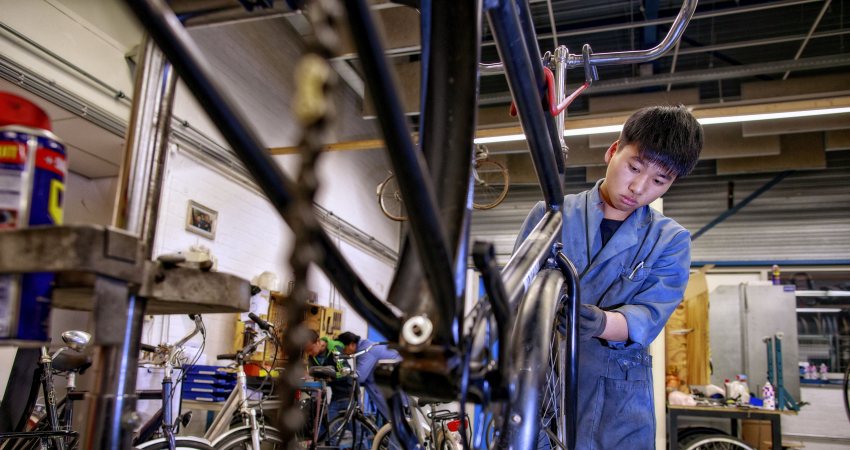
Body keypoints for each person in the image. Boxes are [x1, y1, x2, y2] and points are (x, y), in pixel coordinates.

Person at [514, 105, 703, 449]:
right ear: (613, 150)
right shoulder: (550, 216)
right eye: (634, 167)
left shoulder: (670, 240)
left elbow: (650, 315)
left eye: (659, 181)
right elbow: (516, 297)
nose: (639, 187)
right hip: (542, 378)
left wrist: (602, 323)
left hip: (618, 394)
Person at [336, 331, 400, 423]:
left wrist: (339, 375)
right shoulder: (363, 349)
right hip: (391, 379)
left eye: (343, 348)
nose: (343, 352)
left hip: (397, 379)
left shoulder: (366, 351)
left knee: (397, 420)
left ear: (352, 344)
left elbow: (360, 376)